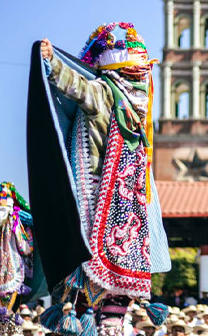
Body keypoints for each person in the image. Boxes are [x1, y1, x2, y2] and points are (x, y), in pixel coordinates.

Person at [31, 24, 171, 334]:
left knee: (99, 308)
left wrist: (53, 61)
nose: (142, 80)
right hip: (116, 210)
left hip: (108, 208)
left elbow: (78, 87)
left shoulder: (120, 102)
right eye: (138, 74)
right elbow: (79, 86)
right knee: (108, 312)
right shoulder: (122, 99)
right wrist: (54, 61)